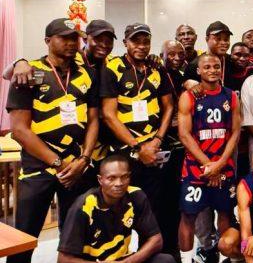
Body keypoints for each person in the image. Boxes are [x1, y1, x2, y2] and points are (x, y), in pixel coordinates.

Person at [7, 18, 100, 263]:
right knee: (23, 239)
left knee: (76, 238)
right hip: (39, 169)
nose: (71, 43)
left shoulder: (86, 74)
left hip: (77, 168)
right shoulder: (29, 73)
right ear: (48, 41)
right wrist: (58, 163)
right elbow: (19, 130)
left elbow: (94, 120)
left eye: (75, 38)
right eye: (64, 37)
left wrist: (84, 159)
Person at [100, 23, 175, 251]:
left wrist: (157, 140)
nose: (141, 46)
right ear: (125, 43)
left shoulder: (156, 69)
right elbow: (109, 115)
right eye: (136, 41)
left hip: (153, 150)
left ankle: (151, 255)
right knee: (118, 211)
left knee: (153, 211)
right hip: (124, 153)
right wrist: (137, 147)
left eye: (146, 42)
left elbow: (169, 106)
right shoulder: (112, 69)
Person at [177, 54, 242, 263]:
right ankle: (186, 260)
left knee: (224, 212)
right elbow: (184, 135)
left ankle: (225, 257)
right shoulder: (188, 97)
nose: (212, 70)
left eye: (216, 66)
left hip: (224, 166)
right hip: (195, 168)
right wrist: (209, 165)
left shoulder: (231, 96)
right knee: (188, 216)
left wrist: (220, 164)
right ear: (198, 71)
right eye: (207, 67)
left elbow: (235, 132)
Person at [57, 154, 175, 263]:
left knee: (165, 260)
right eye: (111, 178)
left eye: (124, 177)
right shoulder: (83, 206)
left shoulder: (135, 195)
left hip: (122, 260)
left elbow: (156, 240)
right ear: (100, 180)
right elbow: (63, 259)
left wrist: (128, 262)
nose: (119, 183)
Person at [159, 39, 188, 257]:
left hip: (181, 148)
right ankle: (163, 250)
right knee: (162, 203)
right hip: (160, 146)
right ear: (161, 55)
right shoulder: (154, 72)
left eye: (180, 54)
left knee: (178, 203)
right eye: (171, 54)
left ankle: (174, 251)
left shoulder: (182, 76)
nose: (176, 58)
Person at [183, 21, 234, 89]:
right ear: (207, 39)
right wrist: (185, 83)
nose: (223, 43)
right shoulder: (194, 65)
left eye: (226, 39)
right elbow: (184, 87)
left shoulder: (232, 61)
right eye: (218, 39)